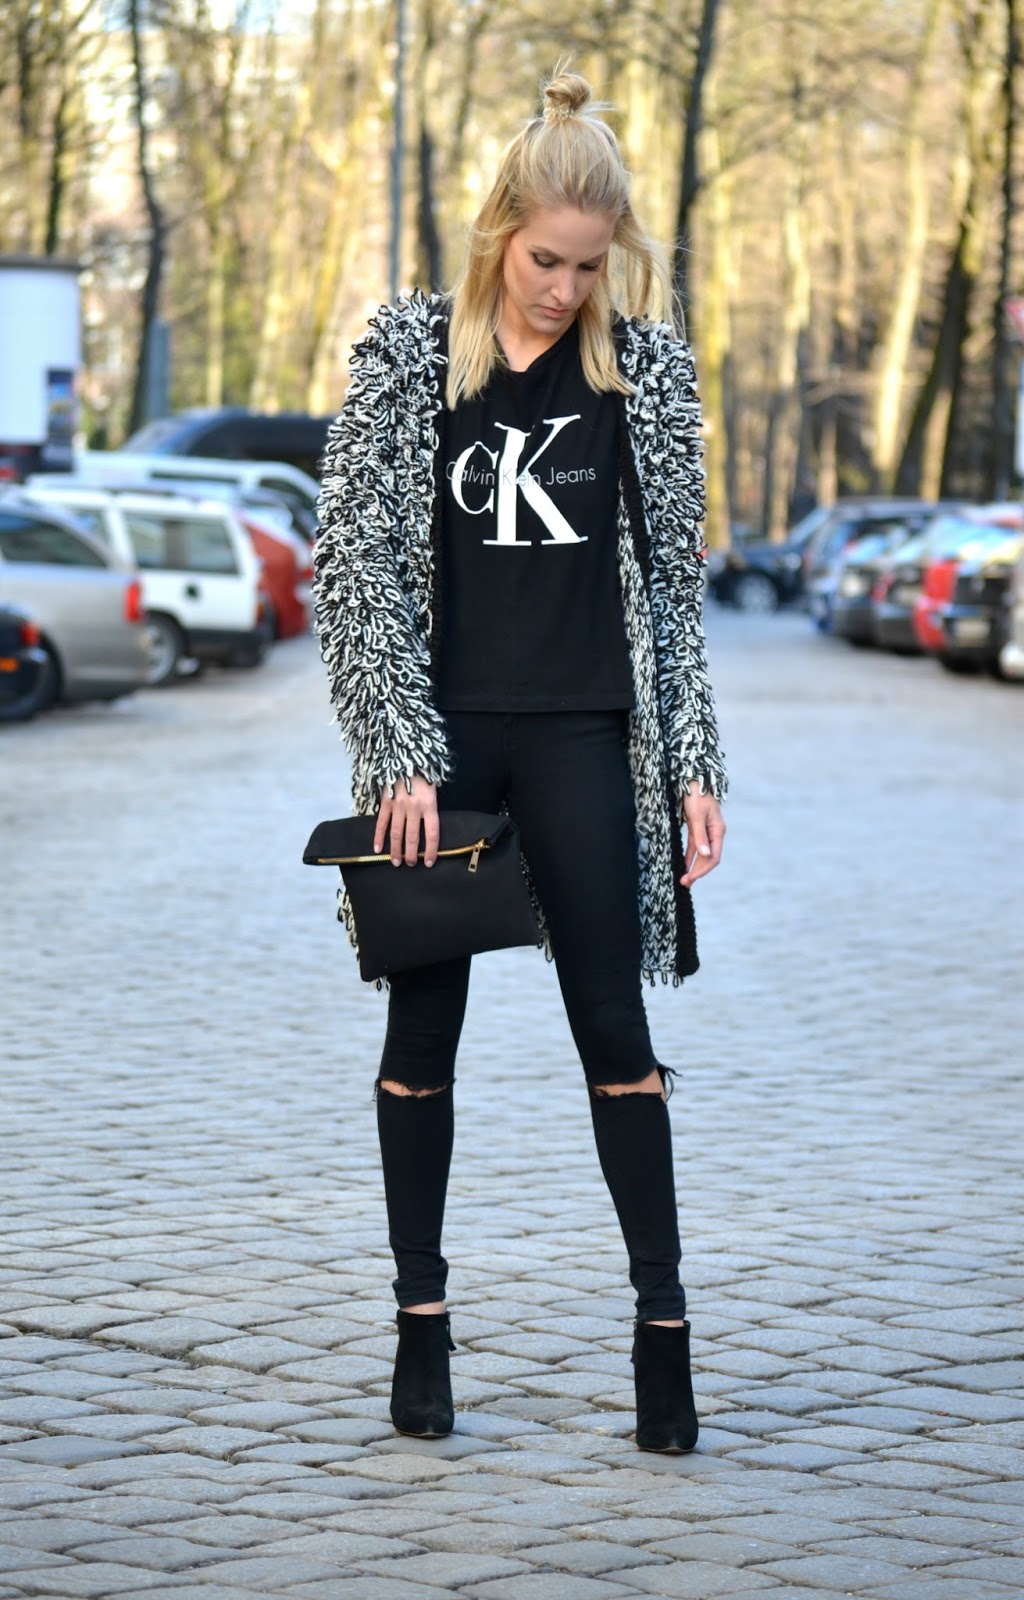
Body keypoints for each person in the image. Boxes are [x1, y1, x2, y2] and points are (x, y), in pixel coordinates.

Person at [313, 65, 727, 1454]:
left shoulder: (644, 375)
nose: (564, 289)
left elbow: (673, 592)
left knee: (617, 1034)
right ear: (500, 231)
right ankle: (420, 1325)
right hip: (442, 749)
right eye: (546, 260)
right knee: (420, 1038)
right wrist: (397, 752)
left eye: (589, 267)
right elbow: (357, 570)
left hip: (586, 739)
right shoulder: (408, 360)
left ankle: (663, 1339)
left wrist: (695, 767)